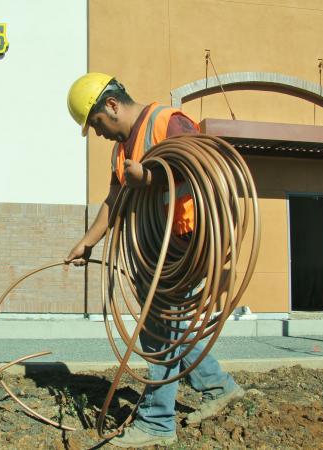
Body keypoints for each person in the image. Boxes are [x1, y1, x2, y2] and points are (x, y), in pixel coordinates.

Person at [64, 73, 244, 448]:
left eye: (96, 124)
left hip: (187, 245)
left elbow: (204, 168)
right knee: (166, 327)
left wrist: (148, 176)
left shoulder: (167, 122)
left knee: (161, 329)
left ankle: (158, 422)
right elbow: (115, 200)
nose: (98, 133)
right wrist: (88, 241)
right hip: (153, 246)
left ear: (111, 105)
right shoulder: (120, 151)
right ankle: (218, 386)